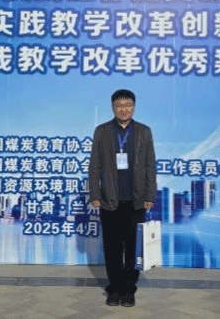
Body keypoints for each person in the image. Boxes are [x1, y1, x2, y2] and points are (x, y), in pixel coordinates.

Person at [88, 89, 156, 307]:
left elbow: (150, 165)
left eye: (127, 105)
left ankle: (129, 289)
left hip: (136, 200)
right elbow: (94, 164)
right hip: (110, 199)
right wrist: (95, 194)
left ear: (133, 107)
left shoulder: (144, 131)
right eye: (119, 105)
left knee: (134, 249)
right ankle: (115, 288)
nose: (123, 109)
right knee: (112, 248)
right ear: (113, 107)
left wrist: (150, 194)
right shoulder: (102, 131)